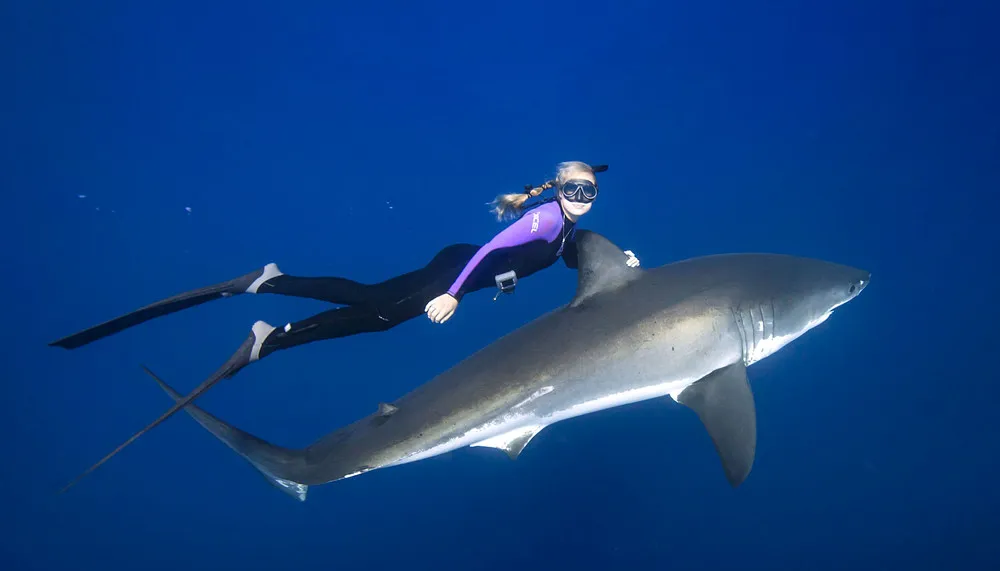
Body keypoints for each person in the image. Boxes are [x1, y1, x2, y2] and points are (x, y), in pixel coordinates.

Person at [53, 161, 641, 492]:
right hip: (457, 270)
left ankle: (269, 319)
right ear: (558, 189)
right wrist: (454, 296)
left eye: (589, 191)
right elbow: (488, 250)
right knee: (378, 310)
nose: (582, 198)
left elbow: (562, 253)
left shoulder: (564, 228)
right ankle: (270, 295)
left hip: (459, 267)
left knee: (374, 310)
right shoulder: (542, 218)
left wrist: (616, 259)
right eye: (573, 190)